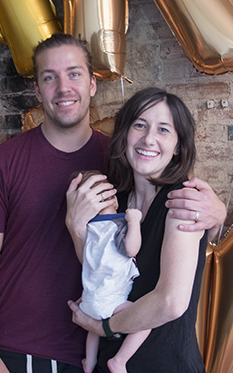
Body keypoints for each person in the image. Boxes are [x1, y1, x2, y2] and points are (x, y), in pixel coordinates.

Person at [0, 34, 226, 373]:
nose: (63, 87)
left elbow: (167, 257)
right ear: (37, 90)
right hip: (27, 348)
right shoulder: (5, 161)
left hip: (99, 350)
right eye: (49, 77)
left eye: (74, 74)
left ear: (92, 84)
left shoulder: (122, 164)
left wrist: (218, 215)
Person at [67, 87, 209, 372]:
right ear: (124, 134)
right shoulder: (114, 199)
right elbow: (101, 267)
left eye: (164, 130)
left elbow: (170, 303)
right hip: (106, 364)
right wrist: (75, 227)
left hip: (166, 364)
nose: (148, 139)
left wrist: (103, 325)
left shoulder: (182, 200)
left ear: (179, 145)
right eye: (140, 125)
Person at [71, 170, 150, 373]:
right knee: (145, 321)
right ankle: (120, 361)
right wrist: (133, 222)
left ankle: (89, 362)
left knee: (93, 329)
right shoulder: (118, 224)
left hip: (88, 302)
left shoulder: (90, 229)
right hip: (112, 302)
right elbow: (131, 249)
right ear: (112, 198)